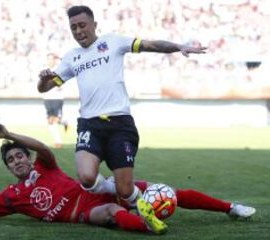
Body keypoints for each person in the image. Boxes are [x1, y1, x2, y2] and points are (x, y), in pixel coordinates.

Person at [0, 124, 256, 235]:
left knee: (168, 192)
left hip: (97, 188)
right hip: (83, 211)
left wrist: (11, 134)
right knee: (108, 214)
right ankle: (149, 225)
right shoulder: (11, 196)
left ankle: (231, 207)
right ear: (8, 168)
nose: (18, 160)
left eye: (20, 155)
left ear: (28, 158)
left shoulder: (44, 166)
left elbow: (43, 146)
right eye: (12, 159)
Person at [37, 4, 207, 216]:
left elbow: (150, 45)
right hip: (90, 123)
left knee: (125, 190)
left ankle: (131, 198)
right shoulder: (71, 57)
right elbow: (45, 88)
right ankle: (124, 196)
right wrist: (43, 81)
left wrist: (178, 46)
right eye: (73, 28)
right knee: (87, 177)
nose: (78, 31)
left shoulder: (113, 42)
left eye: (82, 25)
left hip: (120, 124)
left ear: (94, 24)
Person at [41, 53, 69, 148]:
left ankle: (58, 142)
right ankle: (64, 124)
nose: (50, 61)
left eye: (51, 59)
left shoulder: (58, 70)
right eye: (48, 59)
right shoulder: (44, 71)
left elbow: (61, 83)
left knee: (55, 120)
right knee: (50, 120)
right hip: (47, 98)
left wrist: (53, 81)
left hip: (57, 98)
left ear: (54, 60)